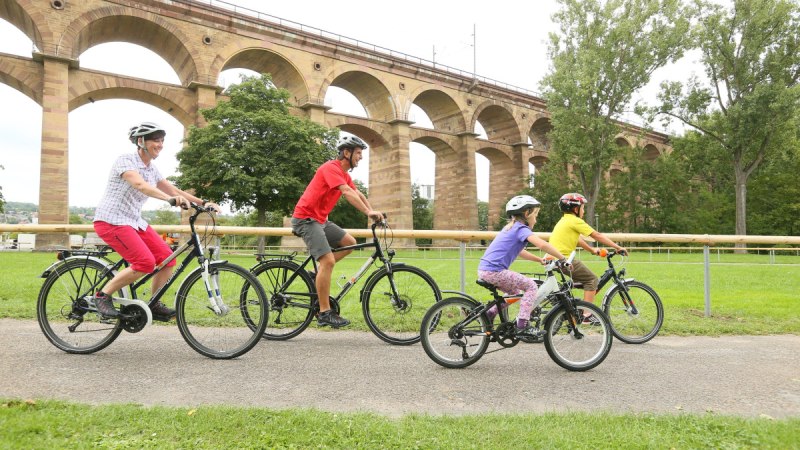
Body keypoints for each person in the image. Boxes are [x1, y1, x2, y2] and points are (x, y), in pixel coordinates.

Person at [92, 122, 220, 320]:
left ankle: (154, 303)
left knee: (167, 258)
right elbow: (139, 184)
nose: (160, 145)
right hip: (112, 221)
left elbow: (173, 190)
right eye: (155, 140)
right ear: (141, 141)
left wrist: (203, 203)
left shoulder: (151, 169)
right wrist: (168, 200)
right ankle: (102, 295)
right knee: (144, 262)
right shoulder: (126, 160)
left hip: (134, 221)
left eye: (162, 141)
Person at [291, 134, 383, 328]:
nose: (361, 157)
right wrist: (368, 212)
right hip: (306, 219)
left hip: (320, 220)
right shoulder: (331, 168)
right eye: (358, 153)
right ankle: (324, 312)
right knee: (327, 261)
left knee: (350, 243)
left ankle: (316, 275)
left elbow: (357, 193)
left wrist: (372, 212)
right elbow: (347, 193)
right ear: (346, 153)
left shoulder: (344, 174)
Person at [478, 195, 570, 342]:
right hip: (495, 271)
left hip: (486, 269)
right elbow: (543, 245)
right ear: (526, 214)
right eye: (535, 216)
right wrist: (562, 258)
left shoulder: (511, 228)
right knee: (531, 286)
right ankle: (522, 325)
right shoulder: (521, 229)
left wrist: (539, 259)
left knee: (514, 293)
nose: (536, 220)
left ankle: (489, 313)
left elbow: (520, 252)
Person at [549, 193, 627, 321]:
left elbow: (578, 239)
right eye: (583, 208)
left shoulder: (565, 220)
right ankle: (587, 315)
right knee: (591, 280)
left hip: (555, 258)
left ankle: (566, 299)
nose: (584, 211)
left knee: (582, 280)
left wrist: (592, 250)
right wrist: (617, 247)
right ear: (576, 209)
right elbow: (596, 235)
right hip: (564, 259)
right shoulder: (575, 221)